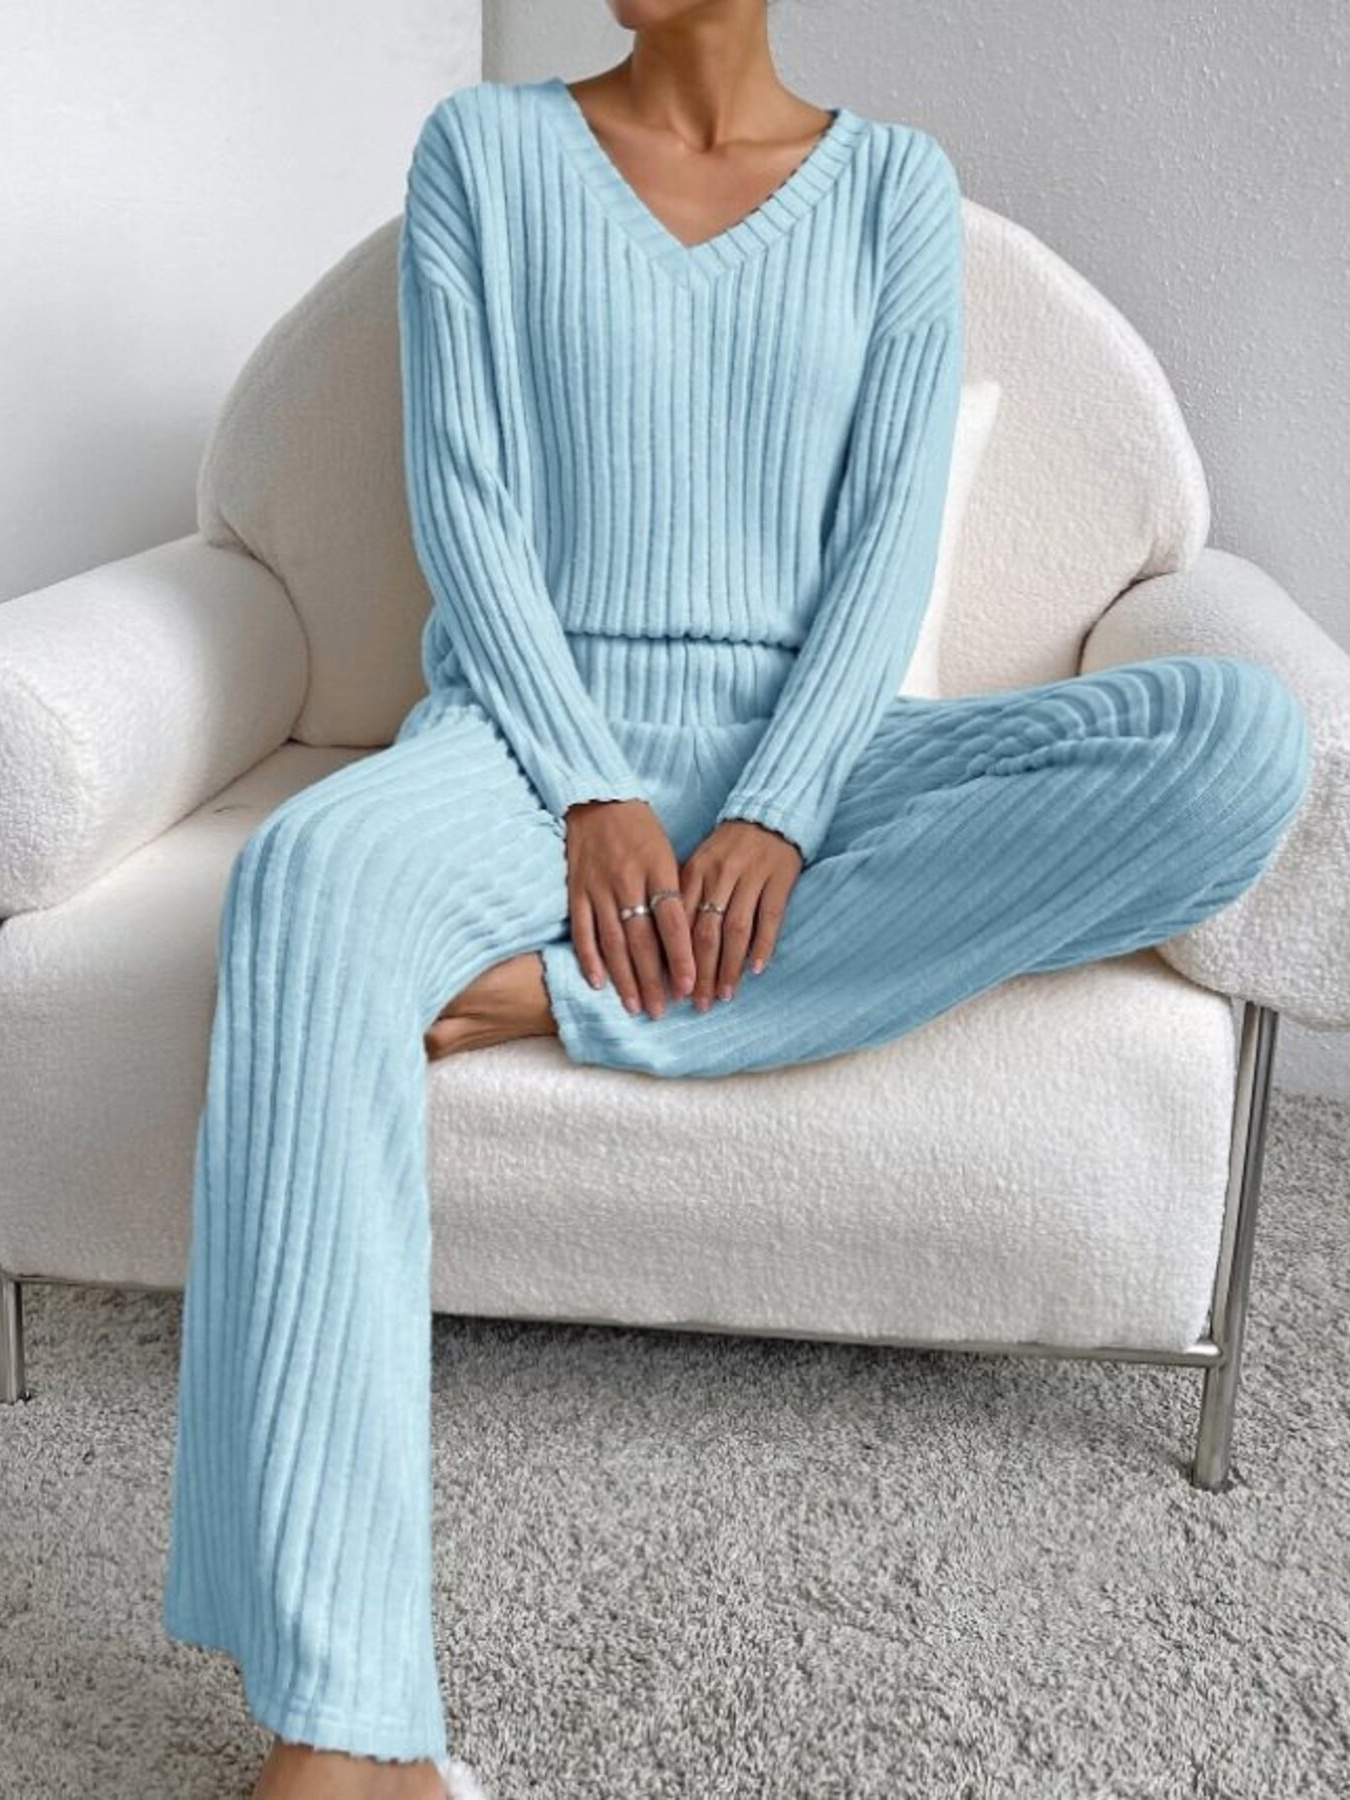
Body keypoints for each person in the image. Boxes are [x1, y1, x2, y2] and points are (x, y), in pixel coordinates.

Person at [161, 6, 1314, 1796]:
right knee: (306, 883)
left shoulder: (892, 189)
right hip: (527, 751)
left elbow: (880, 547)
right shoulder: (484, 155)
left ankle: (584, 993)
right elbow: (465, 504)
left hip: (818, 757)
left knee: (1239, 739)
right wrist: (592, 789)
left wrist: (775, 808)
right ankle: (346, 1738)